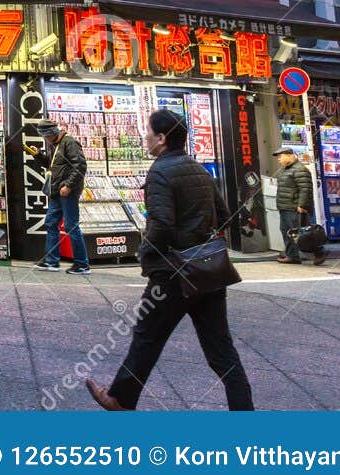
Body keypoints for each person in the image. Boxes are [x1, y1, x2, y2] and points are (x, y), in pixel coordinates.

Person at [87, 108, 254, 412]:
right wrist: (200, 240)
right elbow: (224, 214)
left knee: (147, 337)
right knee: (221, 350)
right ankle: (243, 410)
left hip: (173, 273)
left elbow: (161, 223)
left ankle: (120, 399)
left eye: (148, 132)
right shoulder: (200, 170)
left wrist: (146, 254)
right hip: (209, 273)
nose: (145, 137)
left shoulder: (160, 172)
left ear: (161, 138)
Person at [28, 120, 91, 274]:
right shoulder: (54, 145)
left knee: (71, 226)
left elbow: (80, 165)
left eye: (45, 136)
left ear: (51, 133)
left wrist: (68, 185)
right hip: (57, 191)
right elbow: (51, 165)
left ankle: (82, 264)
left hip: (67, 191)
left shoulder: (69, 143)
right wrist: (38, 155)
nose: (45, 139)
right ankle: (52, 261)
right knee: (51, 223)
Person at [272, 148, 325, 265]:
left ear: (290, 156)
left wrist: (302, 205)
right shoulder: (285, 170)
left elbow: (305, 189)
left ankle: (320, 252)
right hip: (285, 206)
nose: (279, 159)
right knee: (287, 231)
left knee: (303, 234)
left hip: (295, 208)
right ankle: (292, 256)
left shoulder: (300, 169)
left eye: (280, 156)